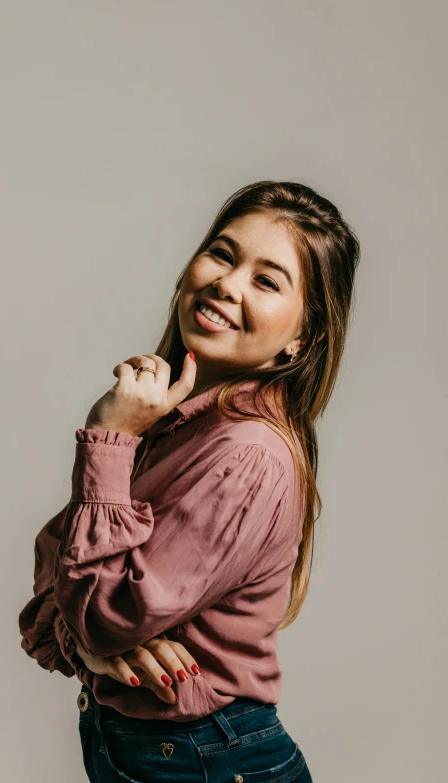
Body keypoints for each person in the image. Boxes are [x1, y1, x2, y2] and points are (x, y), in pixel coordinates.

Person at [18, 179, 360, 782]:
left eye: (267, 279)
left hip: (202, 757)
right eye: (224, 254)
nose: (227, 283)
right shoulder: (179, 422)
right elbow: (59, 562)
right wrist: (93, 645)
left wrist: (110, 438)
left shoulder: (245, 453)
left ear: (301, 339)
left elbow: (95, 606)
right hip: (164, 751)